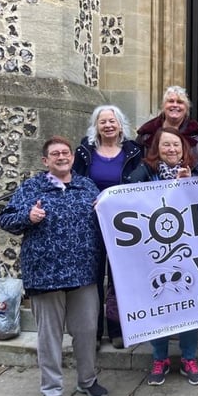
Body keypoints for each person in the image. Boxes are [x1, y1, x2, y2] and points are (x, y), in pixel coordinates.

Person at [0, 136, 108, 396]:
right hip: (45, 274)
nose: (61, 157)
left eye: (66, 152)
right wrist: (28, 216)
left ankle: (88, 380)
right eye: (55, 154)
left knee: (85, 331)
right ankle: (52, 390)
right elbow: (6, 219)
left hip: (84, 271)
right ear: (45, 161)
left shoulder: (86, 186)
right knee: (49, 336)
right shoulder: (33, 187)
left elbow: (107, 217)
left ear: (72, 157)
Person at [127, 126, 198, 386]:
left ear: (184, 149)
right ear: (157, 150)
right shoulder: (145, 172)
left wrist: (190, 182)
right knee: (158, 302)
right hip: (154, 251)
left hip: (188, 250)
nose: (171, 150)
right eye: (165, 146)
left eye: (176, 145)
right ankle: (159, 358)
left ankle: (188, 358)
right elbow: (125, 191)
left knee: (189, 304)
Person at [72, 105, 143, 350]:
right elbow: (75, 183)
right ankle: (92, 332)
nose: (108, 125)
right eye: (103, 122)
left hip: (123, 225)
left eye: (112, 121)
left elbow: (140, 183)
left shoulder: (134, 151)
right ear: (96, 126)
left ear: (120, 125)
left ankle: (117, 329)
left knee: (119, 278)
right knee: (92, 280)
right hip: (92, 223)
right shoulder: (84, 152)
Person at [136, 85, 198, 175]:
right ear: (163, 106)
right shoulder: (146, 133)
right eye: (171, 101)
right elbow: (135, 167)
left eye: (180, 102)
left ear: (187, 108)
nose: (175, 105)